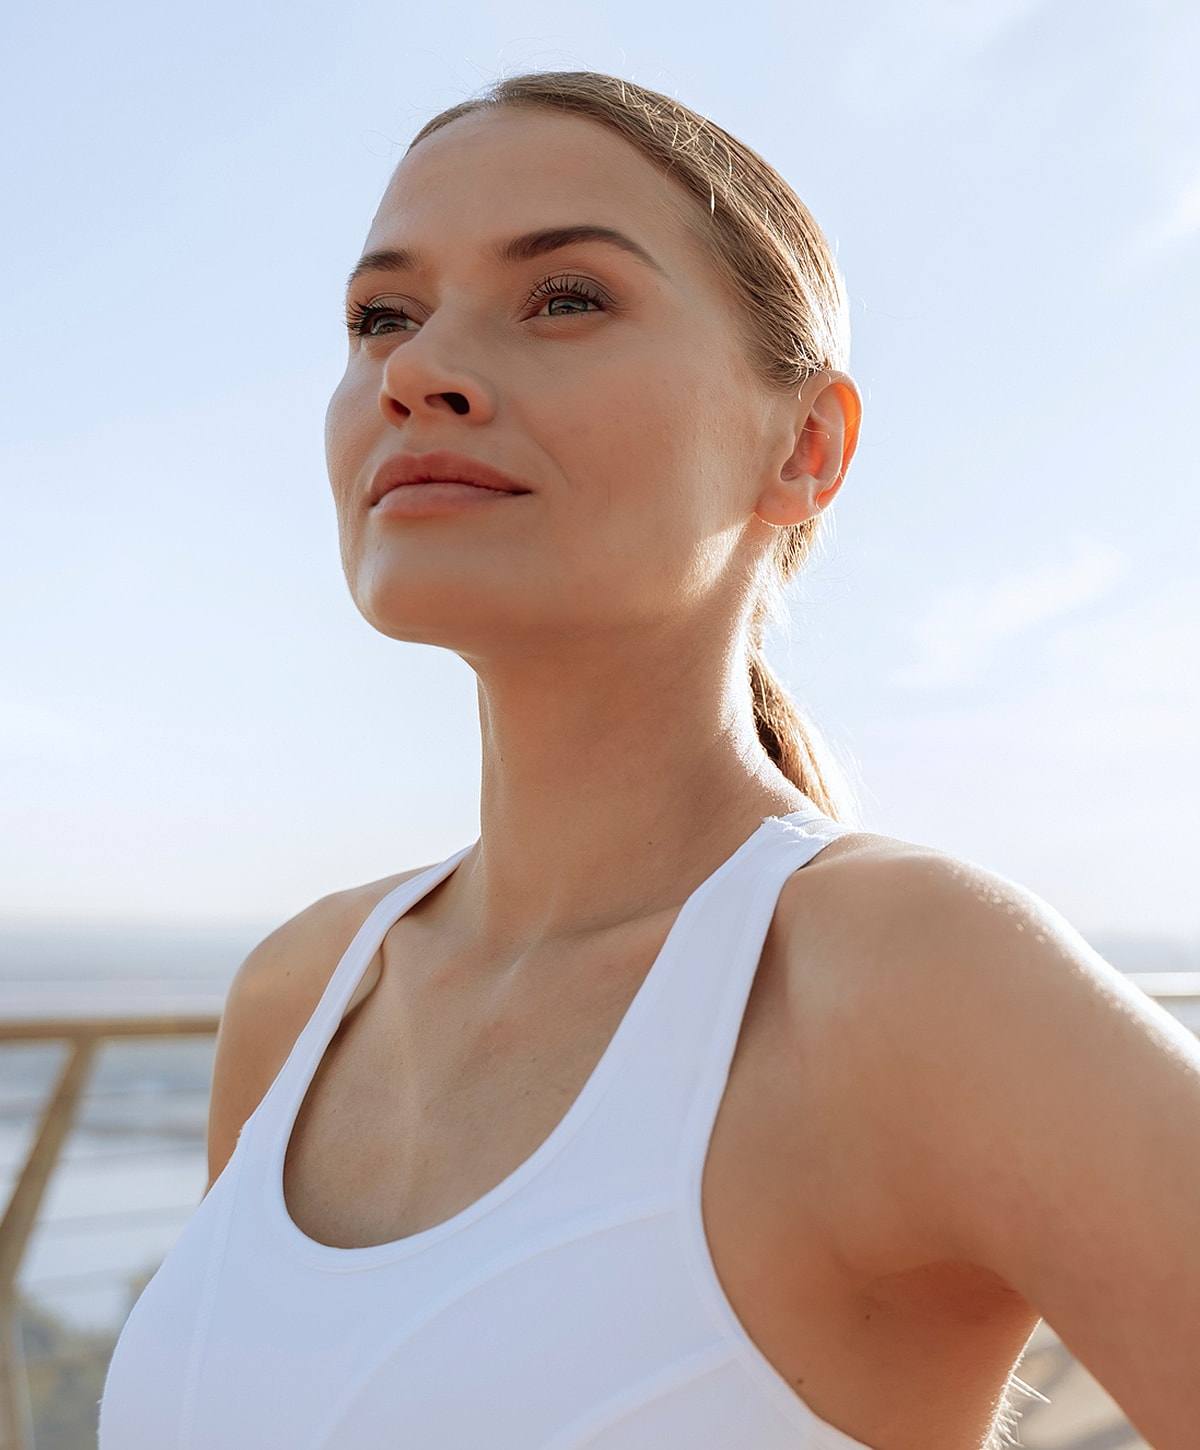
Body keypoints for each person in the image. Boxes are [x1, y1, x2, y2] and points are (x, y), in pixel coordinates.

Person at [98, 71, 1200, 1450]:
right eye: (385, 313)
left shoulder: (899, 979)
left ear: (805, 445)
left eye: (566, 297)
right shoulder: (303, 993)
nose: (413, 368)